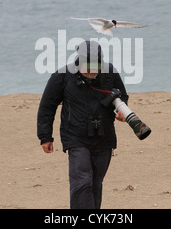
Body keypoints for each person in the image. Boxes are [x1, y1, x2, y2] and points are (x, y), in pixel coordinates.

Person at [37, 40, 129, 209]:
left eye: (95, 65)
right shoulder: (62, 76)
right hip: (75, 137)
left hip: (104, 137)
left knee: (95, 183)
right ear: (78, 61)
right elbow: (47, 107)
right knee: (82, 182)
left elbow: (121, 96)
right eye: (87, 65)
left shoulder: (110, 73)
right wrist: (45, 137)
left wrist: (120, 111)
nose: (91, 70)